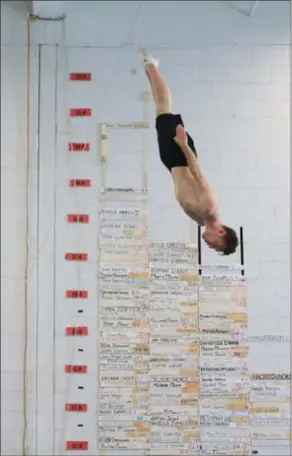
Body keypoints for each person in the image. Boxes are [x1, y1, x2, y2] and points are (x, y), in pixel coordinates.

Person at [140, 47, 238, 255]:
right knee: (163, 107)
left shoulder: (200, 219)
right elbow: (197, 170)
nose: (210, 245)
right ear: (221, 231)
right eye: (215, 244)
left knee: (160, 111)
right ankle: (151, 64)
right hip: (181, 155)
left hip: (171, 162)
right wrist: (183, 145)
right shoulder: (209, 207)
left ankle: (150, 69)